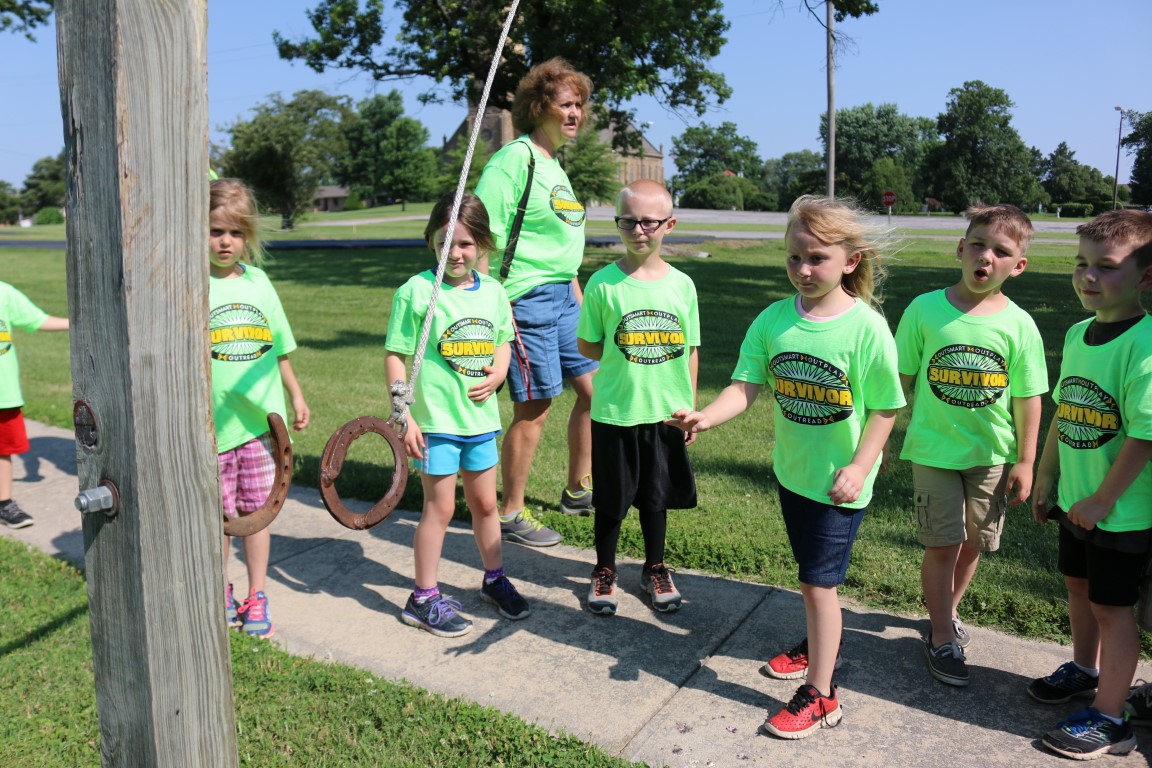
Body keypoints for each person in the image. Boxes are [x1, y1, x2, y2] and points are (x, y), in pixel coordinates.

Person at [669, 195, 904, 740]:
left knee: (818, 584)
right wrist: (706, 416)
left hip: (839, 485)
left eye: (817, 258)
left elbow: (886, 409)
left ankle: (822, 696)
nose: (803, 269)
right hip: (792, 475)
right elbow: (745, 386)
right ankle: (818, 646)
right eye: (795, 257)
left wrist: (860, 465)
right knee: (811, 579)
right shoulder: (774, 318)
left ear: (850, 261)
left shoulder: (866, 329)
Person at [894, 205, 1047, 687]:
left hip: (991, 457)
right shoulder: (924, 309)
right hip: (933, 452)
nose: (986, 257)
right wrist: (872, 440)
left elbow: (1028, 398)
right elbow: (897, 380)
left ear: (1018, 266)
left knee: (973, 543)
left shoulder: (1020, 324)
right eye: (978, 245)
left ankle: (948, 611)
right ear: (961, 249)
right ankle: (941, 636)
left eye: (1001, 251)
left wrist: (1026, 460)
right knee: (942, 543)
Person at [1030, 210, 1152, 760]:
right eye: (1081, 264)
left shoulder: (1145, 345)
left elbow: (1145, 435)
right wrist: (1046, 474)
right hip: (1077, 503)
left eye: (1106, 266)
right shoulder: (1080, 333)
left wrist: (1104, 499)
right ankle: (1085, 668)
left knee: (1112, 608)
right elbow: (1066, 407)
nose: (1088, 276)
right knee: (1077, 587)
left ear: (1146, 277)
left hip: (1119, 511)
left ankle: (1111, 719)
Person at [386, 193, 531, 638]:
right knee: (441, 508)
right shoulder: (416, 292)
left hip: (480, 423)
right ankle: (423, 597)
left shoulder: (494, 292)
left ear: (482, 244)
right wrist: (403, 414)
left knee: (486, 505)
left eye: (466, 243)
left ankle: (494, 579)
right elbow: (396, 355)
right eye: (445, 241)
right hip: (436, 425)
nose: (455, 253)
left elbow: (503, 340)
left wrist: (500, 371)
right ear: (431, 239)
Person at [475, 57, 598, 548]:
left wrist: (578, 296)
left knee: (595, 391)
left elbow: (561, 244)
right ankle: (511, 512)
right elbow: (481, 235)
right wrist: (490, 309)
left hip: (565, 296)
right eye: (566, 104)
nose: (575, 113)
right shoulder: (515, 160)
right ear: (539, 106)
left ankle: (577, 490)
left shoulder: (554, 165)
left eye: (580, 105)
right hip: (524, 300)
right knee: (536, 404)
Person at [577, 180, 699, 615]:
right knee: (611, 500)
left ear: (669, 224)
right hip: (616, 410)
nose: (638, 230)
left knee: (655, 497)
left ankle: (655, 568)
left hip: (665, 413)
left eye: (649, 221)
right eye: (627, 221)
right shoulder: (603, 284)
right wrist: (625, 350)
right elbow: (588, 344)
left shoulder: (682, 285)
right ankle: (604, 570)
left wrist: (690, 408)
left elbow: (690, 349)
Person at [209, 178, 310, 639]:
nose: (225, 242)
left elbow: (280, 348)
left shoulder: (260, 283)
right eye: (215, 231)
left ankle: (256, 593)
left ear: (248, 235)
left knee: (256, 514)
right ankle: (218, 589)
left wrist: (296, 395)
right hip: (212, 429)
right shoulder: (192, 287)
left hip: (259, 428)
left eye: (235, 232)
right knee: (218, 520)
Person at [0, 284, 68, 529]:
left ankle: (4, 504)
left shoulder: (4, 293)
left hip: (3, 393)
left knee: (3, 449)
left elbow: (37, 319)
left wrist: (75, 322)